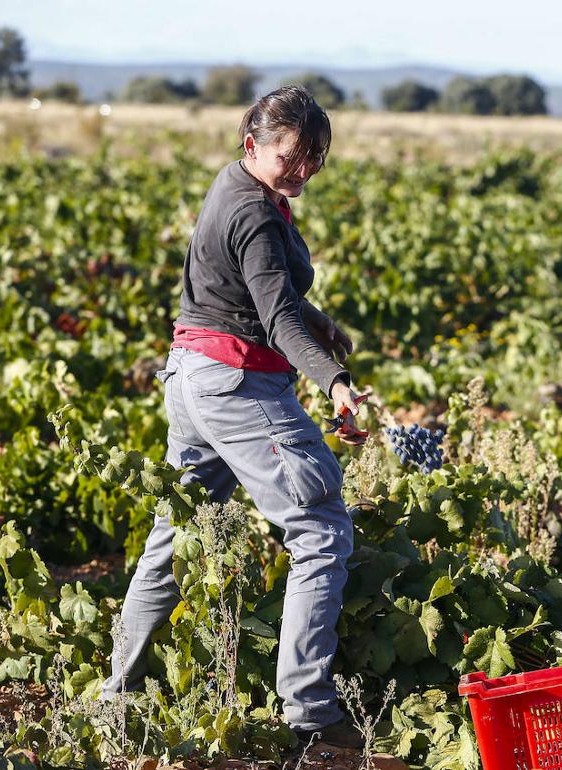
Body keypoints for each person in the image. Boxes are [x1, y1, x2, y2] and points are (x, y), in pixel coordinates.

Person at [99, 86, 366, 749]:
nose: (304, 172)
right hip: (236, 385)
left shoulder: (237, 186)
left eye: (315, 160)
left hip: (192, 376)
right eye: (293, 157)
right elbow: (273, 316)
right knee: (320, 528)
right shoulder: (254, 214)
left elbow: (256, 290)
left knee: (171, 539)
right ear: (254, 145)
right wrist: (334, 383)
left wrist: (319, 323)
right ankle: (311, 715)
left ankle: (113, 704)